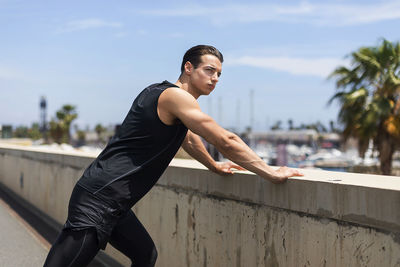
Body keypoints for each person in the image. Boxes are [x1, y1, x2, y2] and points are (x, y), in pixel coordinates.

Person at [43, 45, 303, 267]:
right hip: (99, 200)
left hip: (112, 201)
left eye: (219, 74)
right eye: (209, 70)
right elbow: (225, 139)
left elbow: (188, 138)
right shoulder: (175, 97)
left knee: (146, 255)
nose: (215, 79)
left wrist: (212, 165)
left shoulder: (157, 91)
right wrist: (270, 172)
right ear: (188, 68)